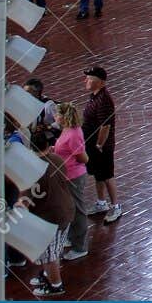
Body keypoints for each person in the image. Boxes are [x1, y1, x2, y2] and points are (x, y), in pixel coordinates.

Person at [18, 132, 76, 297]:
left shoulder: (32, 171)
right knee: (53, 251)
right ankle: (47, 275)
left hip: (51, 219)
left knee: (50, 255)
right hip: (66, 211)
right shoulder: (57, 159)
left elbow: (24, 202)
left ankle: (56, 286)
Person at [52, 102, 94, 260]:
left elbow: (82, 157)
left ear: (63, 117)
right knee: (70, 208)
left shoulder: (73, 134)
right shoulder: (67, 130)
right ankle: (72, 237)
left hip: (74, 176)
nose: (54, 117)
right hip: (66, 175)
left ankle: (80, 246)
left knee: (78, 210)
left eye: (56, 114)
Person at [82, 66, 121, 224]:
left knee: (106, 176)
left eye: (90, 79)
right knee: (98, 174)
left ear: (101, 83)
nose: (86, 81)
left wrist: (99, 144)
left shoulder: (104, 100)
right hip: (92, 143)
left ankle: (115, 206)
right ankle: (101, 203)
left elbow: (105, 126)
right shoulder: (95, 96)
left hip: (101, 146)